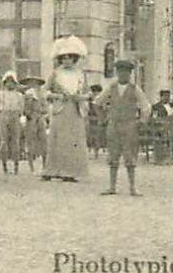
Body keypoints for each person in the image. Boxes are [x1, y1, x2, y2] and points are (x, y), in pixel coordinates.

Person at [95, 59, 148, 196]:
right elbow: (97, 103)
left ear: (130, 73)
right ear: (117, 73)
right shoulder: (111, 87)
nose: (123, 74)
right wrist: (102, 119)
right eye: (120, 71)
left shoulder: (135, 88)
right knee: (113, 155)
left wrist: (141, 121)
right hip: (113, 124)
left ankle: (132, 187)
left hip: (129, 124)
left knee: (130, 155)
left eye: (126, 72)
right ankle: (112, 187)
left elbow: (146, 106)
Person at [43, 37, 90, 182]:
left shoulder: (81, 75)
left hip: (75, 110)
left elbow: (88, 94)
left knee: (73, 140)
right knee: (58, 139)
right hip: (60, 109)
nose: (66, 61)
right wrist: (57, 96)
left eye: (70, 58)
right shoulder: (55, 74)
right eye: (63, 58)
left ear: (75, 59)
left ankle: (71, 171)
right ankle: (52, 170)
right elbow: (45, 92)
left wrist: (80, 98)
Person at [0, 72, 27, 175]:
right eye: (7, 82)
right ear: (4, 83)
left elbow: (21, 108)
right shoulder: (1, 94)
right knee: (3, 141)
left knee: (15, 142)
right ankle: (5, 167)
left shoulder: (19, 95)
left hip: (15, 116)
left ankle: (16, 166)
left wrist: (18, 114)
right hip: (4, 115)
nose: (10, 84)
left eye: (12, 82)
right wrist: (0, 115)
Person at [21, 76, 49, 172]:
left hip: (40, 118)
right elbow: (24, 110)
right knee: (30, 142)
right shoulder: (25, 96)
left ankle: (44, 165)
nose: (33, 85)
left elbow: (46, 109)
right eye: (30, 83)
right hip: (31, 119)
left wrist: (40, 113)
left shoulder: (42, 96)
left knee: (43, 141)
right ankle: (31, 167)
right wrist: (29, 112)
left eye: (35, 83)